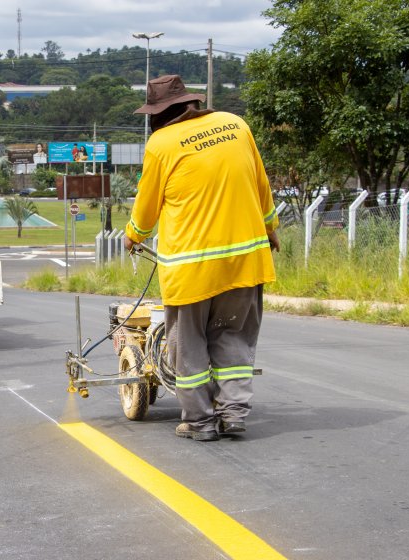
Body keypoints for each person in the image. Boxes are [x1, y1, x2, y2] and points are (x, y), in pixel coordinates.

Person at [123, 75, 280, 442]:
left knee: (189, 349)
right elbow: (261, 185)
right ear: (189, 103)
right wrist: (271, 228)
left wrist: (133, 237)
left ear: (157, 115)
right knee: (234, 340)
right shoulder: (236, 125)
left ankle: (200, 422)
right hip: (245, 261)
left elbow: (146, 209)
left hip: (191, 270)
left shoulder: (161, 144)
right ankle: (234, 414)